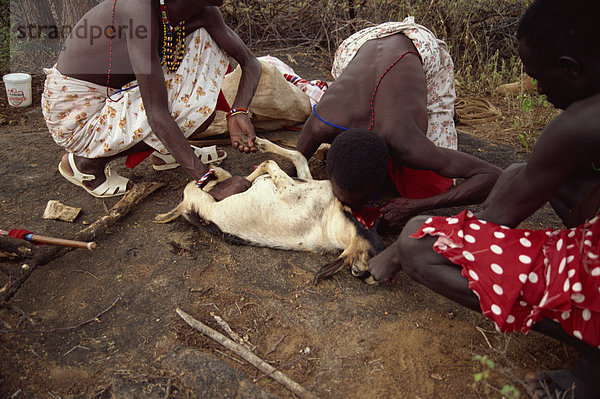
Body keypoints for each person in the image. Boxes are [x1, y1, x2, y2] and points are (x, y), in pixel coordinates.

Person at [369, 1, 600, 397]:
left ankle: (593, 354)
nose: (539, 90)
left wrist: (405, 238)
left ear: (570, 68)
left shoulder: (577, 126)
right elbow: (513, 177)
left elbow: (495, 215)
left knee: (416, 244)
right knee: (519, 174)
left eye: (539, 79)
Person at [295, 17, 502, 230]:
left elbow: (493, 176)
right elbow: (292, 165)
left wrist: (416, 206)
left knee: (433, 186)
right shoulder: (321, 124)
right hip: (358, 45)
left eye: (361, 201)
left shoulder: (408, 143)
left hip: (420, 47)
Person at [42, 0, 261, 199]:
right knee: (192, 109)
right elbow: (156, 114)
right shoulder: (139, 8)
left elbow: (251, 62)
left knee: (201, 80)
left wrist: (238, 111)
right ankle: (85, 165)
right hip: (78, 113)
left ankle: (166, 151)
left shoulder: (204, 10)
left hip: (117, 93)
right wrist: (210, 184)